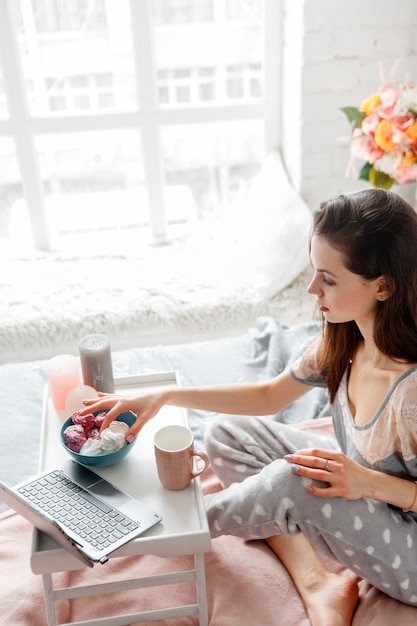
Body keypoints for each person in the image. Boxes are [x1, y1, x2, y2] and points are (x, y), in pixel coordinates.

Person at [80, 189, 417, 626]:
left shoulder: (410, 395)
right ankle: (317, 581)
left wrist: (368, 483)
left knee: (291, 481)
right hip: (365, 498)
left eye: (328, 280)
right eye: (315, 272)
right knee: (226, 434)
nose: (312, 289)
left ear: (383, 285)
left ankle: (155, 529)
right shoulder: (347, 338)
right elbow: (268, 397)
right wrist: (163, 397)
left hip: (409, 554)